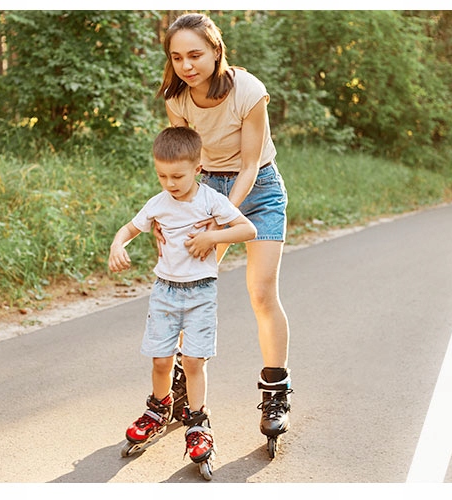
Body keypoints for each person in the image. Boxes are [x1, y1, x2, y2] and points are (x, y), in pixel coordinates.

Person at [158, 13, 299, 445]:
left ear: (216, 51)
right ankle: (183, 382)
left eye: (195, 54)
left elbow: (251, 164)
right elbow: (181, 163)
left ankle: (275, 393)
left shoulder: (248, 91)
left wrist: (221, 216)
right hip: (207, 190)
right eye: (177, 57)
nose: (187, 65)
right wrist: (172, 214)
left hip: (259, 191)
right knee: (189, 288)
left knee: (261, 292)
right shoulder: (177, 98)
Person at [110, 127, 257, 466]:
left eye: (177, 176)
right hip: (164, 291)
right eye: (162, 175)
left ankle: (197, 421)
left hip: (201, 292)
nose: (169, 183)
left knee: (193, 361)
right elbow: (129, 229)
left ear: (197, 168)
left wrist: (212, 238)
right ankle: (158, 409)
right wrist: (118, 245)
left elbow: (247, 229)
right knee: (161, 360)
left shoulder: (211, 200)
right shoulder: (158, 203)